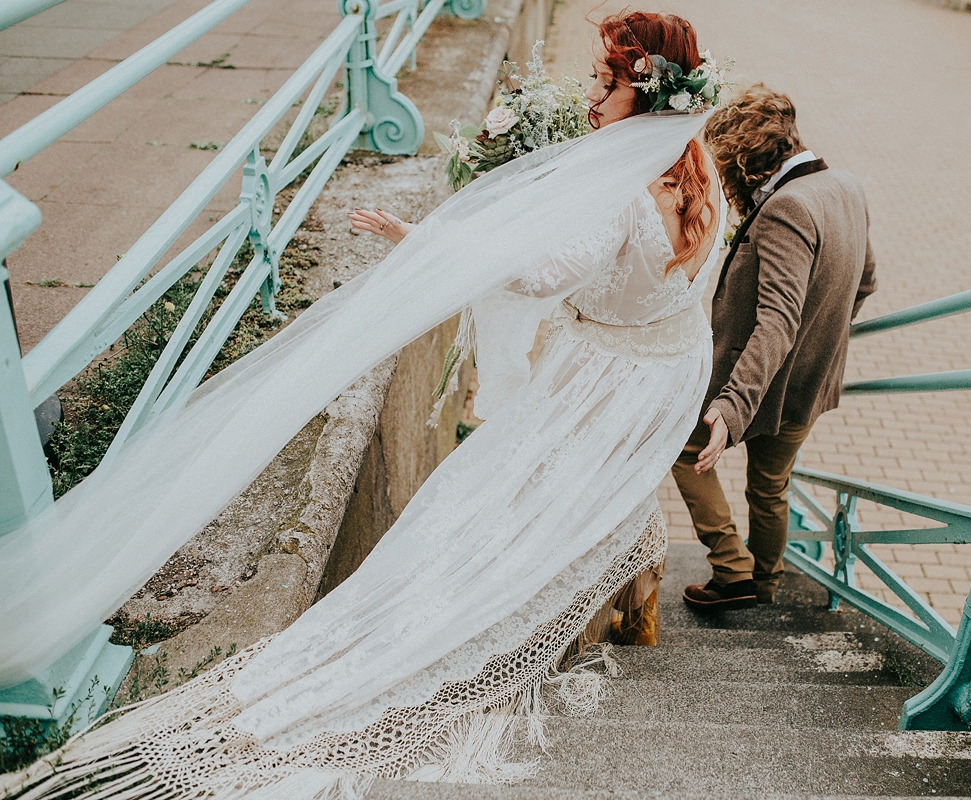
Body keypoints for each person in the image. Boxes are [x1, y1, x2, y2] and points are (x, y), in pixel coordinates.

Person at [7, 11, 726, 799]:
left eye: (607, 83)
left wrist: (425, 244)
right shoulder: (698, 175)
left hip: (599, 375)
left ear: (647, 93)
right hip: (663, 372)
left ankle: (499, 615)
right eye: (593, 77)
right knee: (577, 498)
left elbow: (541, 274)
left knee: (500, 503)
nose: (590, 96)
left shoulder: (614, 193)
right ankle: (615, 597)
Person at [673, 85, 877, 611]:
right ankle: (764, 584)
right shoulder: (846, 186)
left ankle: (732, 568)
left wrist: (730, 406)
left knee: (682, 449)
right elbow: (867, 280)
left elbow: (777, 322)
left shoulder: (787, 208)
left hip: (762, 382)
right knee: (769, 488)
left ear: (745, 163)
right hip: (809, 386)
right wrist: (824, 340)